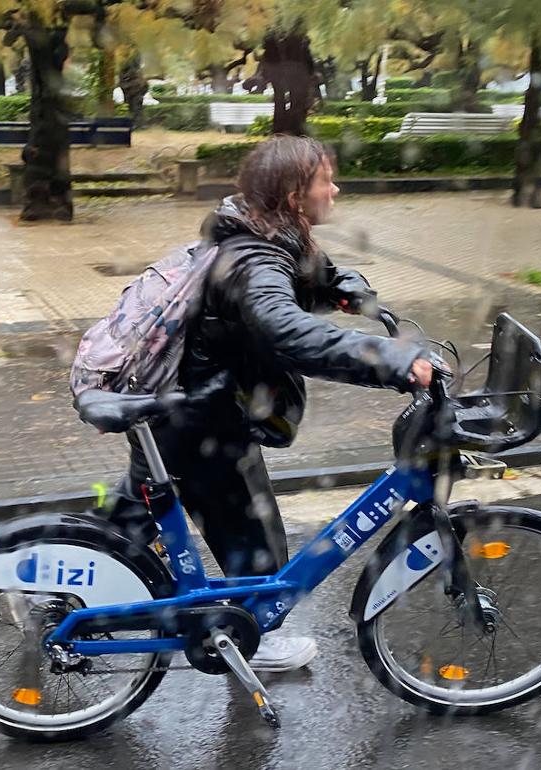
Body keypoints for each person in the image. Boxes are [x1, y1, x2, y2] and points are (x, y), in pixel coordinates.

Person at [106, 136, 438, 673]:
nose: (335, 188)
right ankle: (254, 634)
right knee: (253, 542)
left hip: (183, 408)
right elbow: (286, 328)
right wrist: (392, 361)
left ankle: (55, 580)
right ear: (293, 194)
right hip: (203, 422)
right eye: (324, 180)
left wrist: (355, 295)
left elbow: (312, 277)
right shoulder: (253, 255)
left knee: (130, 521)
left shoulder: (267, 233)